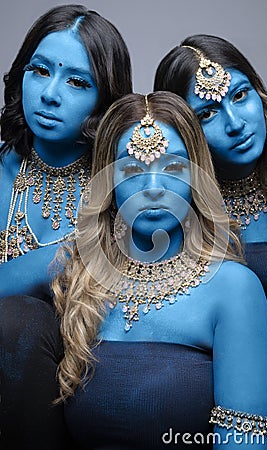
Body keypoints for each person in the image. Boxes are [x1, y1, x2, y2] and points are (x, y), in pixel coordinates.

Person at [53, 91, 267, 449]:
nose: (154, 189)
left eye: (173, 167)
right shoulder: (83, 280)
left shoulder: (233, 289)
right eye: (131, 169)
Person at [153, 34, 267, 445]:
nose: (236, 123)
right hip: (197, 352)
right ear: (185, 131)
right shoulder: (171, 193)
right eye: (208, 113)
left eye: (241, 95)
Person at [0, 4, 132, 449]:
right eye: (39, 71)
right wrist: (63, 255)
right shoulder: (2, 172)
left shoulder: (127, 183)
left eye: (77, 81)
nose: (50, 94)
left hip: (96, 377)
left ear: (105, 99)